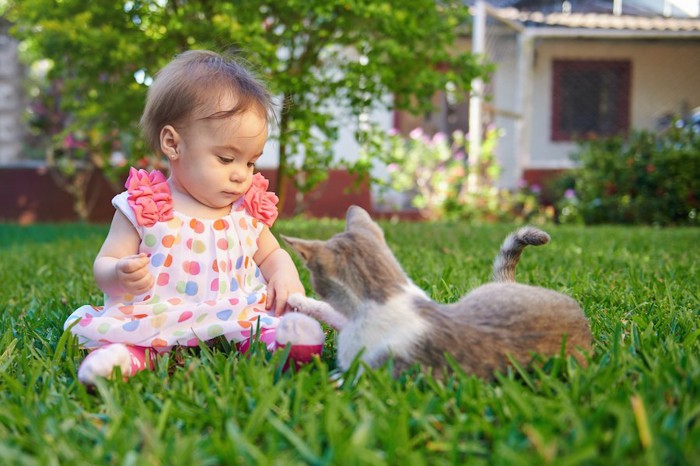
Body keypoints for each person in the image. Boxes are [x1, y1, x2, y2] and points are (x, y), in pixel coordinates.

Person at [64, 50, 324, 385]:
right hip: (161, 314)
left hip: (235, 311)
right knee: (139, 337)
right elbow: (106, 262)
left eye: (249, 162)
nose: (240, 175)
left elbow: (270, 253)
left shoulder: (245, 209)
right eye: (226, 158)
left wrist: (285, 273)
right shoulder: (146, 206)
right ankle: (125, 359)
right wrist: (118, 273)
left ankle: (281, 346)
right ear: (173, 143)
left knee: (258, 326)